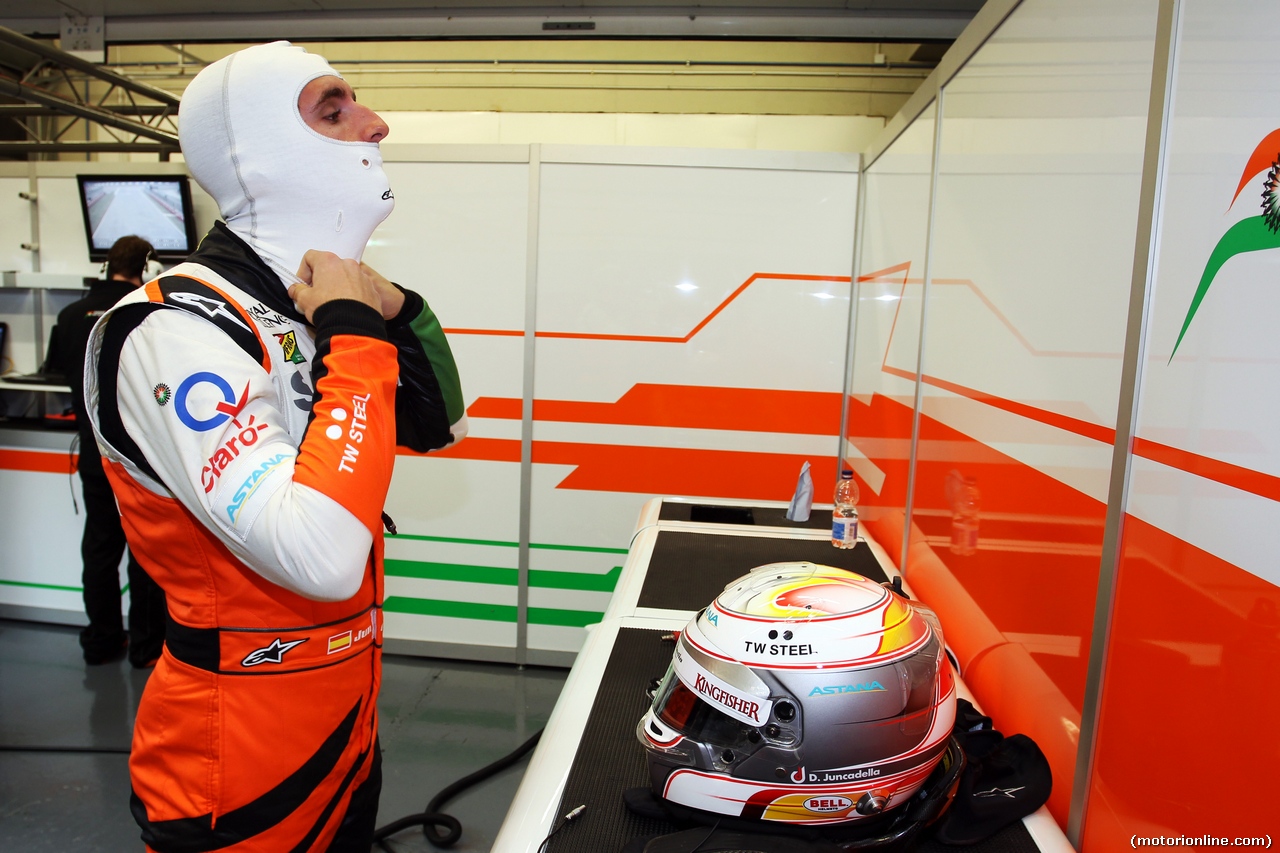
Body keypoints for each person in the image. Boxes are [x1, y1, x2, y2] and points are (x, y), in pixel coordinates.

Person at [83, 42, 466, 852]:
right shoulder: (175, 328)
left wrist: (394, 308)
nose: (377, 124)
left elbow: (435, 426)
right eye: (333, 110)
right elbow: (319, 556)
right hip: (236, 759)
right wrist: (357, 336)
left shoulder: (301, 306)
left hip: (348, 723)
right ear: (253, 152)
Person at [51, 235, 167, 667]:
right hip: (139, 457)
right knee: (145, 550)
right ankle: (146, 646)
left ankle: (100, 641)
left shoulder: (67, 316)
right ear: (146, 268)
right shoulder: (146, 313)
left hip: (92, 453)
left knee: (99, 547)